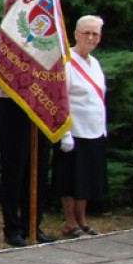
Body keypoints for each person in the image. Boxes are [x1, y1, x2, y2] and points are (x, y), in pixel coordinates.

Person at [0, 9, 53, 247]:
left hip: (38, 108)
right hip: (13, 107)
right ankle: (12, 227)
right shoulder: (0, 41)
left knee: (38, 168)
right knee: (14, 171)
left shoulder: (42, 42)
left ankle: (33, 224)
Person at [53, 16, 109, 238]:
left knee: (86, 178)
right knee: (70, 178)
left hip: (93, 128)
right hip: (73, 130)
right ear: (76, 34)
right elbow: (60, 99)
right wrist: (64, 132)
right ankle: (70, 221)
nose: (91, 38)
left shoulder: (94, 63)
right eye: (87, 33)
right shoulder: (66, 62)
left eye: (95, 34)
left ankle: (82, 218)